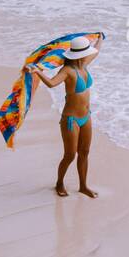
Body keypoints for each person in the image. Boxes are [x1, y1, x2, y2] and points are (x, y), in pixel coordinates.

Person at [35, 33, 102, 197]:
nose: (89, 54)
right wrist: (37, 71)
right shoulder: (67, 71)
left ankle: (83, 186)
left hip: (86, 117)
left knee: (85, 152)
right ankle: (59, 183)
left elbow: (97, 51)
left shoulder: (84, 64)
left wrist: (100, 38)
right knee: (70, 155)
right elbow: (52, 83)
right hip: (71, 120)